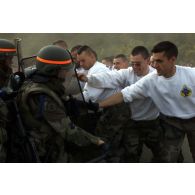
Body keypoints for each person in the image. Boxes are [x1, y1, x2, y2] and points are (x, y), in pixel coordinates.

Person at [97, 41, 195, 162]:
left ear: (172, 59)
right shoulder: (150, 80)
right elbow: (124, 94)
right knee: (167, 159)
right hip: (171, 123)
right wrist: (98, 105)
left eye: (159, 61)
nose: (154, 65)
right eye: (153, 61)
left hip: (193, 118)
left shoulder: (191, 75)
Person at [17, 45, 104, 163]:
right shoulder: (41, 95)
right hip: (46, 149)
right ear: (52, 70)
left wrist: (84, 105)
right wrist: (96, 141)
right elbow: (69, 131)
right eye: (64, 70)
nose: (66, 73)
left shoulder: (36, 82)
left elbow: (64, 99)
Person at [78, 46, 163, 162]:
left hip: (151, 122)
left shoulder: (157, 76)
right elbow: (109, 77)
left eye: (138, 64)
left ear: (148, 61)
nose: (135, 67)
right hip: (132, 122)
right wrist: (88, 79)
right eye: (132, 63)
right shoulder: (128, 73)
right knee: (131, 154)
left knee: (162, 152)